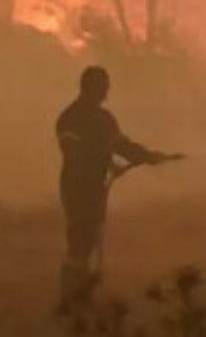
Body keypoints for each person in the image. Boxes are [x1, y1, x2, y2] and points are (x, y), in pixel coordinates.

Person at [56, 66, 173, 305]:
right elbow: (74, 151)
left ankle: (81, 293)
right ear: (91, 87)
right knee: (80, 237)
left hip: (96, 186)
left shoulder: (104, 119)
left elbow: (122, 145)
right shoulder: (69, 118)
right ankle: (70, 294)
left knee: (91, 235)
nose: (106, 91)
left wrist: (148, 156)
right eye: (103, 86)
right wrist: (108, 162)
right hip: (77, 186)